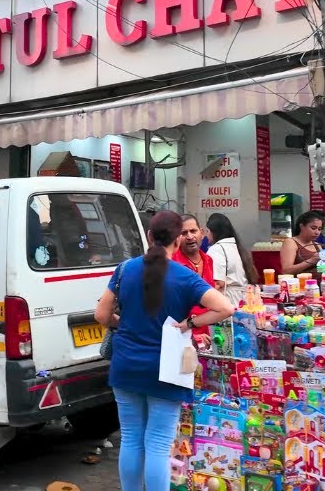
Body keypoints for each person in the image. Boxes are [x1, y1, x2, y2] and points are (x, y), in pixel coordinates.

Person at [94, 210, 235, 490]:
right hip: (166, 368)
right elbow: (226, 308)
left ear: (149, 236)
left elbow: (101, 315)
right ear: (179, 240)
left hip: (126, 364)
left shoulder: (125, 269)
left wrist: (122, 322)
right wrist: (190, 323)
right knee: (158, 443)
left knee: (132, 437)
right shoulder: (185, 277)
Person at [174, 215, 216, 334]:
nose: (190, 237)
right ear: (177, 238)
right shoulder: (173, 264)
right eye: (184, 233)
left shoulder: (209, 260)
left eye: (193, 231)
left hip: (207, 333)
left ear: (201, 233)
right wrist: (193, 334)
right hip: (182, 332)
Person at [205, 213, 257, 305]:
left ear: (214, 232)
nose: (206, 235)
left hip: (228, 300)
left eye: (207, 231)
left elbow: (218, 283)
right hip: (247, 299)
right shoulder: (239, 247)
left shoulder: (216, 249)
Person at [280, 210, 325, 275]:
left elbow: (320, 269)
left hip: (318, 283)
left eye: (319, 229)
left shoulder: (317, 245)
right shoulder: (291, 242)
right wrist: (311, 261)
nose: (317, 232)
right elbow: (286, 270)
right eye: (313, 228)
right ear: (302, 226)